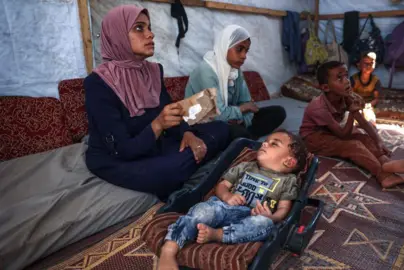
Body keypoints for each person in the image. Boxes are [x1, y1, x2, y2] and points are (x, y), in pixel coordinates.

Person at [83, 5, 230, 200]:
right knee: (170, 171)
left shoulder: (152, 71)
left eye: (149, 27)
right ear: (117, 35)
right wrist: (158, 124)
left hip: (153, 144)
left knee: (221, 128)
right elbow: (122, 149)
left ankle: (199, 155)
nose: (150, 34)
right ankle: (203, 160)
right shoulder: (98, 83)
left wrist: (187, 134)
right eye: (139, 28)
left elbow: (170, 110)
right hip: (116, 157)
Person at [157, 130, 308, 270]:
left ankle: (217, 234)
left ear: (289, 162)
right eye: (266, 141)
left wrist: (271, 217)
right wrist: (227, 196)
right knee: (203, 209)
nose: (264, 143)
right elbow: (222, 186)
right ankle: (169, 248)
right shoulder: (245, 166)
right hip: (225, 208)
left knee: (265, 225)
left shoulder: (288, 181)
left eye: (274, 144)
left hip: (252, 218)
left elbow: (284, 209)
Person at [300, 61, 404, 188]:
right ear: (325, 87)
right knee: (352, 146)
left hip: (332, 130)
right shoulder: (318, 107)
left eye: (346, 76)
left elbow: (362, 122)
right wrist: (352, 112)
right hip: (314, 139)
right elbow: (343, 135)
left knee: (363, 137)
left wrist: (378, 141)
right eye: (339, 78)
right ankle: (383, 175)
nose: (346, 81)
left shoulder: (345, 96)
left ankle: (386, 162)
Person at [185, 24, 286, 141]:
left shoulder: (235, 69)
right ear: (225, 46)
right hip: (204, 120)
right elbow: (218, 114)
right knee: (237, 132)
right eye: (239, 49)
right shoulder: (206, 71)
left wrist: (244, 119)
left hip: (231, 118)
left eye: (246, 51)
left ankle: (243, 136)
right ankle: (243, 136)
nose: (244, 56)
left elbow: (246, 101)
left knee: (278, 112)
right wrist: (241, 110)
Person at [350, 52, 381, 124]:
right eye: (366, 63)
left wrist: (369, 105)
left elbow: (376, 99)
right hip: (356, 104)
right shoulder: (354, 79)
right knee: (352, 120)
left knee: (371, 121)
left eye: (371, 63)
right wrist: (356, 104)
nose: (369, 66)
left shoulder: (376, 81)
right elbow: (350, 95)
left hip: (368, 105)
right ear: (359, 64)